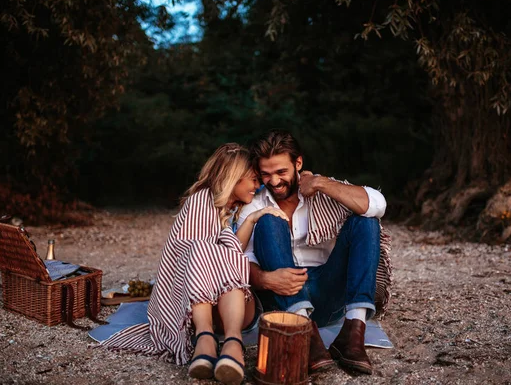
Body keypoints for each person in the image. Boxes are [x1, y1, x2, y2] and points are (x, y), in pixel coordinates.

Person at [102, 143, 287, 385]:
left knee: (221, 258)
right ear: (234, 177)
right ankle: (212, 340)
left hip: (233, 309)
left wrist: (252, 218)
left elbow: (228, 255)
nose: (257, 185)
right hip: (203, 309)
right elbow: (190, 258)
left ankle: (223, 342)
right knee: (202, 250)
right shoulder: (201, 202)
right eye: (252, 179)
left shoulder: (232, 208)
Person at [237, 130, 392, 375]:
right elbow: (238, 258)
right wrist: (265, 279)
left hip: (328, 290)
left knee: (366, 221)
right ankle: (305, 334)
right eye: (266, 174)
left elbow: (378, 203)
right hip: (282, 298)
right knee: (267, 221)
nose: (274, 181)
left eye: (281, 172)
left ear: (298, 163)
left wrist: (321, 183)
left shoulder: (325, 191)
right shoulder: (254, 205)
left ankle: (353, 333)